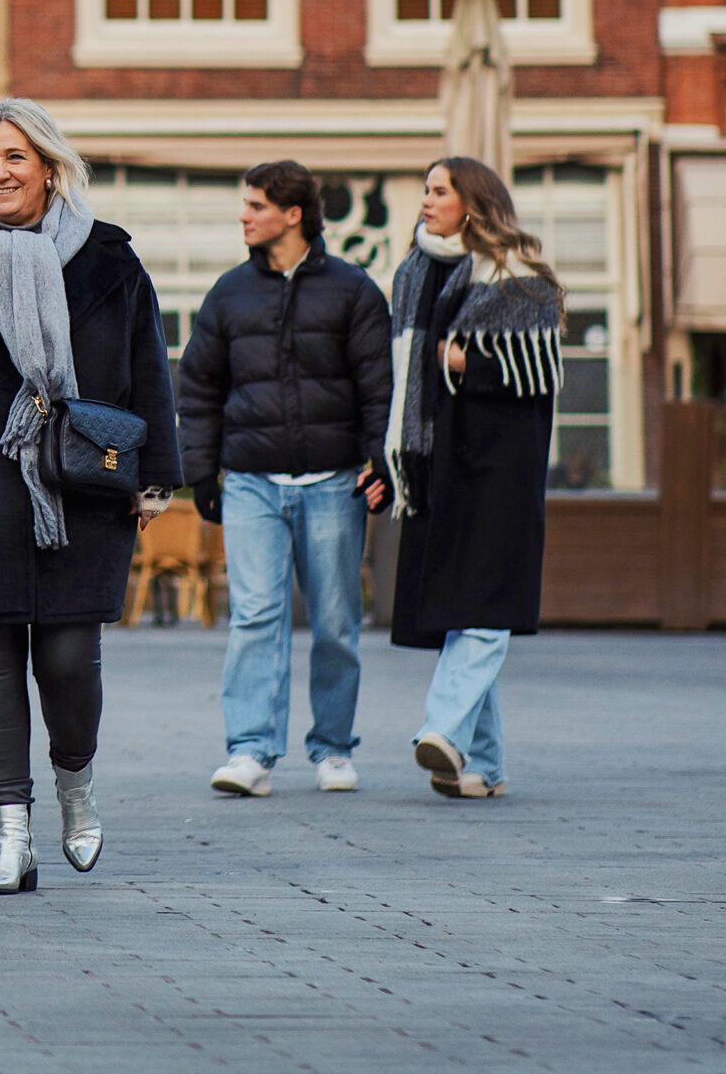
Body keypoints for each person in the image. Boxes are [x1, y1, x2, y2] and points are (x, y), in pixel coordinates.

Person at [0, 98, 179, 894]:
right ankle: (10, 836)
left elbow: (148, 365)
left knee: (68, 658)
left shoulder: (110, 259)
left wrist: (155, 473)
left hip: (82, 483)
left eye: (14, 157)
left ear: (50, 168)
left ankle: (75, 787)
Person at [177, 160, 393, 798]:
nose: (244, 215)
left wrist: (379, 461)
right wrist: (202, 472)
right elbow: (198, 387)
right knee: (254, 617)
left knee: (336, 621)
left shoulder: (354, 290)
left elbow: (377, 387)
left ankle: (333, 748)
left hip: (333, 483)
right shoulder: (228, 294)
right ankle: (250, 750)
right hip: (251, 482)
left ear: (293, 214)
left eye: (256, 205)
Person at [382, 157, 563, 799]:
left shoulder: (520, 278)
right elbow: (400, 377)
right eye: (426, 190)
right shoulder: (413, 272)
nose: (426, 201)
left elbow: (540, 373)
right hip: (435, 464)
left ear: (473, 203)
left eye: (440, 191)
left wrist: (471, 361)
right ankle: (485, 764)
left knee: (484, 605)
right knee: (461, 612)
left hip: (498, 469)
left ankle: (444, 729)